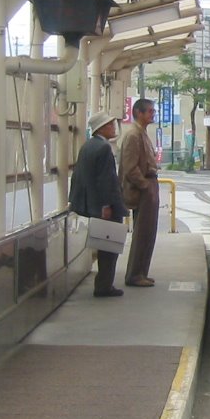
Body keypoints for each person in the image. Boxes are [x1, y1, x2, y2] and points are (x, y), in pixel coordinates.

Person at [69, 110, 128, 298]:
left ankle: (104, 284)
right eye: (110, 124)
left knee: (104, 244)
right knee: (109, 247)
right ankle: (104, 285)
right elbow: (106, 180)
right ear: (101, 128)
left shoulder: (87, 146)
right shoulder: (103, 149)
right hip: (105, 207)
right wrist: (106, 205)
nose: (114, 127)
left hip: (91, 204)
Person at [119, 98, 160, 287]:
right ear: (139, 113)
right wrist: (145, 185)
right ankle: (135, 274)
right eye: (150, 111)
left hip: (149, 186)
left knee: (149, 232)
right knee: (142, 232)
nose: (153, 114)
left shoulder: (141, 133)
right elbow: (130, 167)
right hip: (143, 189)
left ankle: (141, 271)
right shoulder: (133, 135)